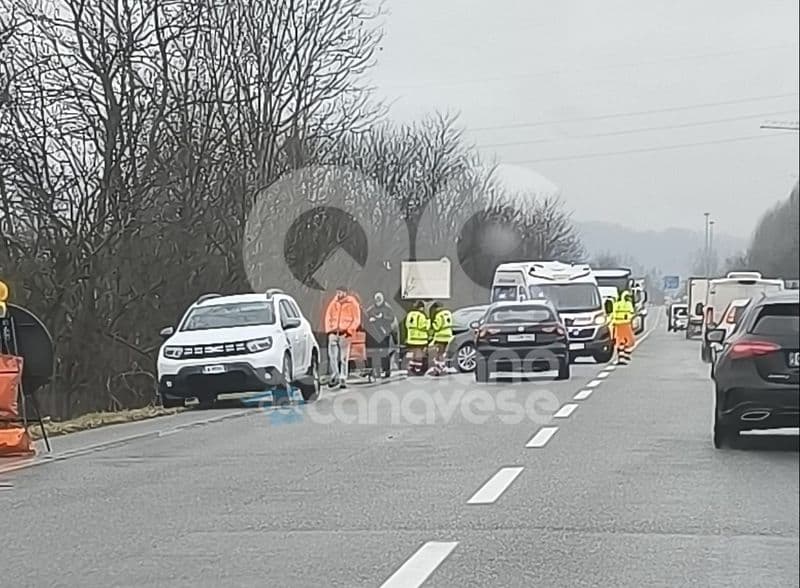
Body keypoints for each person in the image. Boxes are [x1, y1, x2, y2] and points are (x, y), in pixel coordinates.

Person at [324, 286, 361, 388]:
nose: (339, 294)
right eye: (337, 292)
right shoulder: (333, 303)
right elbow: (328, 316)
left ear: (345, 293)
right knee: (332, 356)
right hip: (333, 332)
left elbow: (356, 319)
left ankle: (343, 378)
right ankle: (335, 375)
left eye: (340, 292)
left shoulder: (352, 303)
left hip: (345, 333)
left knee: (344, 358)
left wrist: (350, 330)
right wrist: (329, 330)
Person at [364, 291, 397, 378]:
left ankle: (386, 370)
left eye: (379, 299)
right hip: (375, 334)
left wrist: (382, 317)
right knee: (375, 353)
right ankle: (376, 370)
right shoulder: (371, 308)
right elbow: (366, 317)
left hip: (385, 333)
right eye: (376, 299)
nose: (377, 300)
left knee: (384, 353)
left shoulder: (387, 308)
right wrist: (370, 319)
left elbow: (392, 318)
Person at [428, 302, 454, 376]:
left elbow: (437, 326)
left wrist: (432, 324)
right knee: (444, 352)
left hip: (441, 336)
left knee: (439, 352)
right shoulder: (448, 313)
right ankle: (444, 366)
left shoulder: (439, 315)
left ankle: (439, 368)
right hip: (448, 335)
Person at [404, 301, 429, 374]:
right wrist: (428, 321)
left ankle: (411, 368)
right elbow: (424, 327)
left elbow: (407, 325)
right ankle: (418, 370)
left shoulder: (409, 314)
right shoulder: (422, 315)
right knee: (419, 355)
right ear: (421, 307)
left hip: (411, 339)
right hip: (420, 339)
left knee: (413, 354)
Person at [611, 290, 636, 365]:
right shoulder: (628, 304)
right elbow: (631, 313)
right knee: (628, 341)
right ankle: (622, 357)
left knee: (621, 341)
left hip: (618, 324)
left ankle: (623, 355)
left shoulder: (616, 304)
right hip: (625, 324)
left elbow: (613, 314)